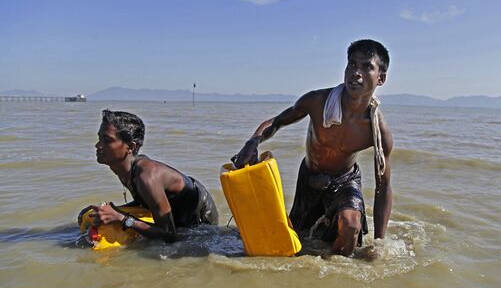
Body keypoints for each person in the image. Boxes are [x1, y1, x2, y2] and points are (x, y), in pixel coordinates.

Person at [232, 39, 393, 256]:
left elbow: (383, 187)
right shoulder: (318, 102)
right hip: (310, 176)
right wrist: (253, 142)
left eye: (367, 67)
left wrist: (379, 243)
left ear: (380, 78)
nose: (356, 72)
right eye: (352, 65)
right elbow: (277, 121)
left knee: (351, 227)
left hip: (345, 179)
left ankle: (332, 271)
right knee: (298, 239)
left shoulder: (377, 130)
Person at [78, 110, 218, 242]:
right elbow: (144, 201)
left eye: (107, 140)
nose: (98, 145)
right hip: (176, 208)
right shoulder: (125, 169)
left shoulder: (147, 177)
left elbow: (169, 234)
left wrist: (120, 217)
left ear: (130, 147)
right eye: (99, 138)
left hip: (200, 214)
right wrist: (109, 210)